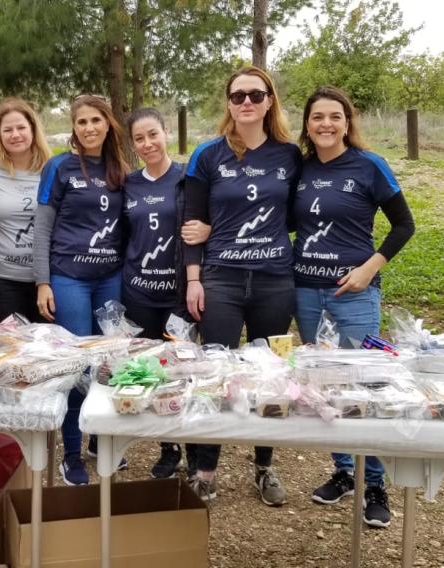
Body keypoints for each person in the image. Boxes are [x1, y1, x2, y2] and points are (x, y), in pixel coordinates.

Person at [293, 86, 415, 528]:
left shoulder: (369, 165)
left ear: (347, 123)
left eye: (335, 117)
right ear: (307, 125)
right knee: (325, 384)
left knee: (364, 384)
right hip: (306, 290)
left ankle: (375, 483)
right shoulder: (300, 169)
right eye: (317, 117)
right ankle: (345, 470)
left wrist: (369, 268)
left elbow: (404, 225)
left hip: (355, 292)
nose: (326, 124)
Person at [182, 66, 303, 506]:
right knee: (215, 374)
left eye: (255, 94)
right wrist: (194, 280)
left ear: (270, 101)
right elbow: (192, 224)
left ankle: (264, 466)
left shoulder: (289, 156)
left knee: (270, 376)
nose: (246, 102)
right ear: (228, 103)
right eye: (238, 96)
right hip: (221, 279)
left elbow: (296, 216)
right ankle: (205, 471)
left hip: (274, 280)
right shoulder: (207, 155)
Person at [33, 94, 129, 486]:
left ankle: (98, 438)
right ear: (74, 128)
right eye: (82, 122)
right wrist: (42, 281)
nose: (89, 128)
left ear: (108, 124)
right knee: (76, 367)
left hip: (111, 277)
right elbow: (42, 228)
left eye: (96, 120)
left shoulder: (121, 170)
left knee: (107, 363)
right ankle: (71, 453)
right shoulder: (58, 167)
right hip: (69, 277)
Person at [120, 108, 211, 478]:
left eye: (153, 135)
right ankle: (168, 448)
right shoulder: (128, 184)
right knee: (153, 371)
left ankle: (194, 449)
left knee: (183, 370)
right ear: (133, 145)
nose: (147, 144)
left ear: (166, 133)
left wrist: (208, 231)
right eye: (139, 139)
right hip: (139, 294)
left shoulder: (188, 179)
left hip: (178, 296)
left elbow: (208, 224)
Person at [0, 98, 51, 324]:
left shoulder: (54, 170)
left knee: (49, 343)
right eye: (7, 130)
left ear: (33, 129)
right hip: (2, 279)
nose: (15, 135)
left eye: (21, 127)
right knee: (11, 343)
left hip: (49, 278)